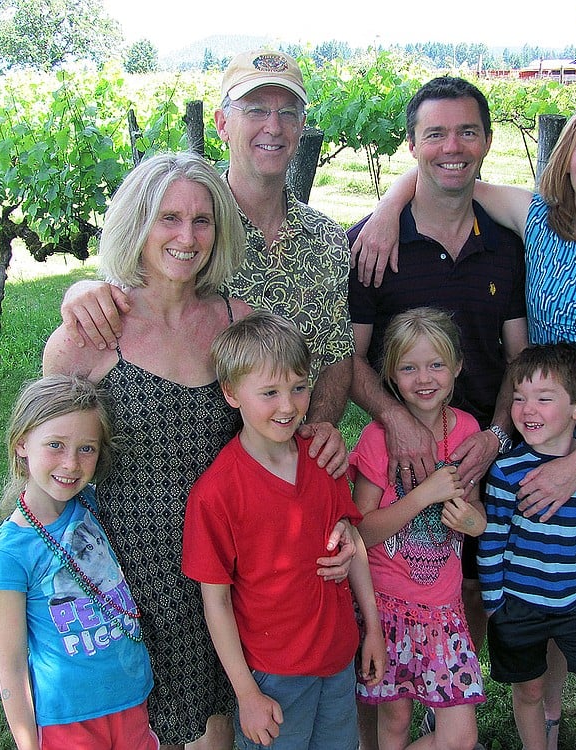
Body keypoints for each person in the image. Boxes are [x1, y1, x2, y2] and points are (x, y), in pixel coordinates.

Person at [356, 96, 576, 750]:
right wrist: (383, 211)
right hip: (544, 428)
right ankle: (544, 715)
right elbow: (446, 167)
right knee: (554, 566)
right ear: (566, 158)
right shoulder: (538, 220)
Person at [42, 152, 354, 750]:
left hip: (234, 566)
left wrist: (322, 436)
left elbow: (279, 419)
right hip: (131, 574)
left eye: (203, 220)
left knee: (223, 728)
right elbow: (45, 460)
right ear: (138, 221)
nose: (187, 237)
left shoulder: (240, 324)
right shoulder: (94, 331)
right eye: (169, 218)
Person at [59, 48, 352, 471]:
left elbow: (336, 353)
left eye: (288, 113)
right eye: (255, 110)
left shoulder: (327, 238)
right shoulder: (192, 216)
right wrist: (80, 289)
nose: (273, 126)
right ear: (221, 124)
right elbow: (122, 290)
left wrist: (311, 440)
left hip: (283, 476)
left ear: (302, 126)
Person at [346, 77, 526, 747]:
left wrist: (498, 435)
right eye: (435, 133)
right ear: (411, 144)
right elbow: (349, 357)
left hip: (479, 447)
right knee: (385, 604)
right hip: (400, 462)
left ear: (485, 139)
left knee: (467, 590)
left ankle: (443, 700)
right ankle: (391, 718)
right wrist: (394, 420)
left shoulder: (505, 244)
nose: (452, 147)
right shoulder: (372, 243)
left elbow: (518, 354)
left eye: (467, 131)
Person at [181, 310, 385, 750]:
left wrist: (373, 628)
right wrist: (246, 694)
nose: (288, 406)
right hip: (273, 677)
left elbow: (352, 542)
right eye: (269, 392)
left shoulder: (322, 457)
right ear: (231, 392)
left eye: (299, 387)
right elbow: (214, 600)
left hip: (337, 661)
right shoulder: (217, 493)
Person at [0, 374, 157, 750]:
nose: (71, 464)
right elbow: (11, 665)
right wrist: (28, 743)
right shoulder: (9, 553)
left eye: (87, 449)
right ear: (21, 444)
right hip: (70, 721)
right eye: (56, 445)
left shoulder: (94, 505)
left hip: (132, 700)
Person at [479, 342, 576, 750]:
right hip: (518, 607)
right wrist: (495, 603)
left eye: (544, 399)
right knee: (529, 693)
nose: (528, 410)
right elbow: (493, 538)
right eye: (518, 398)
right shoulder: (507, 471)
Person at [349, 307, 488, 750]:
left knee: (461, 738)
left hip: (444, 611)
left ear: (457, 368)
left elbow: (476, 511)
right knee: (394, 724)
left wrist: (475, 523)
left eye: (436, 365)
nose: (423, 378)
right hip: (389, 607)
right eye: (408, 367)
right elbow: (360, 531)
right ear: (390, 374)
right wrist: (421, 496)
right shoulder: (376, 439)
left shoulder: (466, 429)